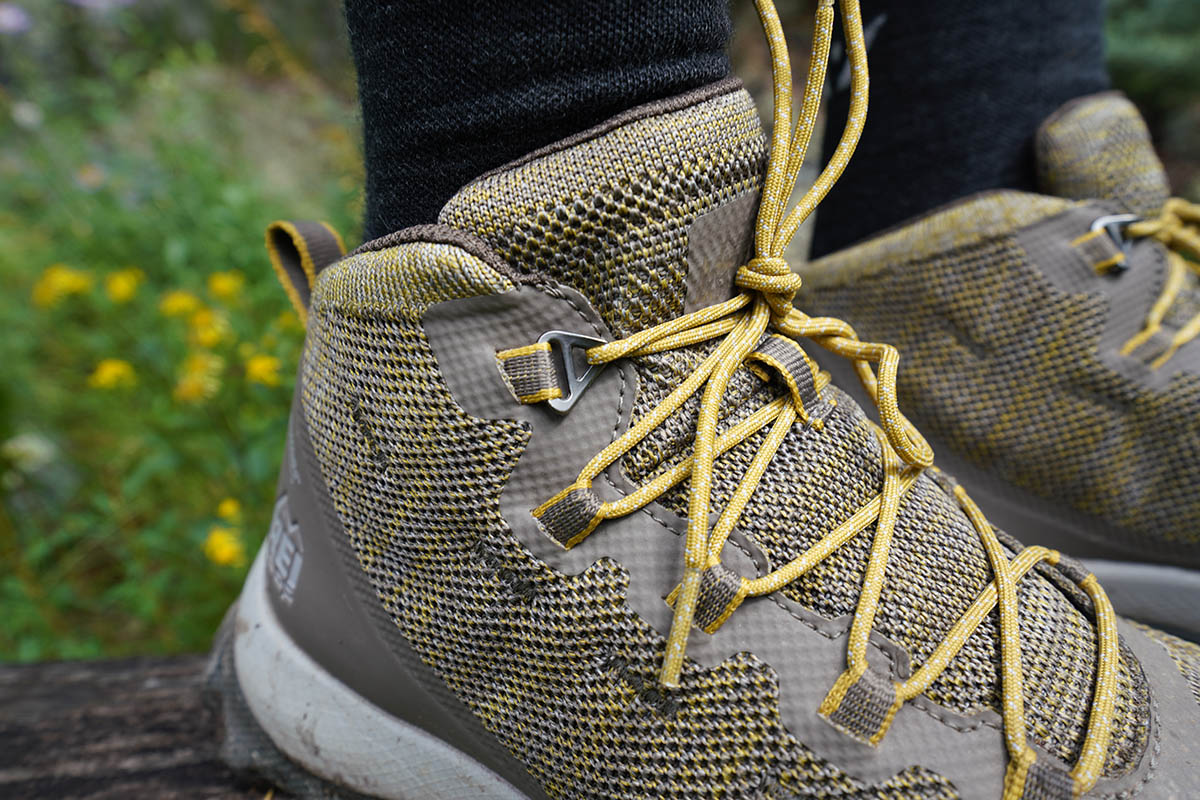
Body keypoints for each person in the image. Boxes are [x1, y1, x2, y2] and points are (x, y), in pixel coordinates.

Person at [207, 2, 1200, 798]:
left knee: (999, 123)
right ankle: (447, 462)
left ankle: (962, 200)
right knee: (551, 148)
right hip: (508, 442)